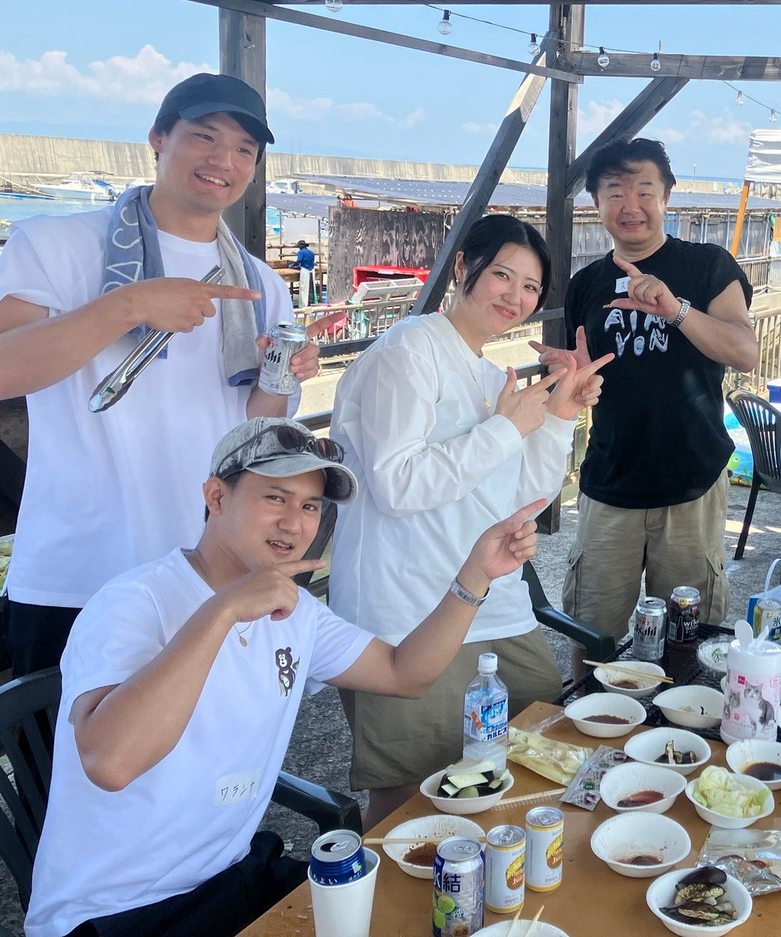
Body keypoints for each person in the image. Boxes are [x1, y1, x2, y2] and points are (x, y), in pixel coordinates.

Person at [24, 417, 550, 937]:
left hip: (233, 877)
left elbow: (404, 673)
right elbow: (111, 762)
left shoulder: (296, 611)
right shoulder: (132, 602)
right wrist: (223, 610)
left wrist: (475, 576)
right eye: (275, 498)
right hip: (116, 912)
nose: (294, 523)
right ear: (216, 496)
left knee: (432, 915)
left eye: (310, 506)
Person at [0, 73, 340, 676]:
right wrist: (128, 305)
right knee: (65, 737)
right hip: (76, 574)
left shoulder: (259, 282)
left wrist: (279, 376)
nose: (224, 161)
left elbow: (254, 430)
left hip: (203, 571)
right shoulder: (54, 243)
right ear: (158, 137)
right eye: (204, 136)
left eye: (244, 150)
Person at [328, 214, 610, 826]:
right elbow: (397, 483)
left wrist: (557, 415)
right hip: (407, 611)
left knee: (529, 753)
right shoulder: (409, 350)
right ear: (463, 267)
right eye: (502, 275)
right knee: (408, 796)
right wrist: (506, 428)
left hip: (491, 602)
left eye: (531, 286)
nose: (515, 296)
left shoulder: (488, 373)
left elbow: (523, 496)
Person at [529, 138, 758, 671]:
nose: (630, 206)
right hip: (610, 481)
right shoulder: (586, 284)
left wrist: (675, 309)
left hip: (691, 484)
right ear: (595, 202)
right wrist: (568, 376)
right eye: (614, 192)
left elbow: (745, 351)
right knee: (594, 636)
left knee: (688, 641)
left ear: (666, 197)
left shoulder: (707, 264)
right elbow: (579, 373)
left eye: (644, 191)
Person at [294, 239, 316, 306]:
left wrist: (293, 265)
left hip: (305, 270)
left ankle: (303, 305)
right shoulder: (311, 253)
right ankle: (311, 303)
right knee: (311, 287)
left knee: (303, 288)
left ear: (301, 246)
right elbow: (313, 262)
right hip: (312, 271)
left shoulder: (301, 252)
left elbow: (299, 261)